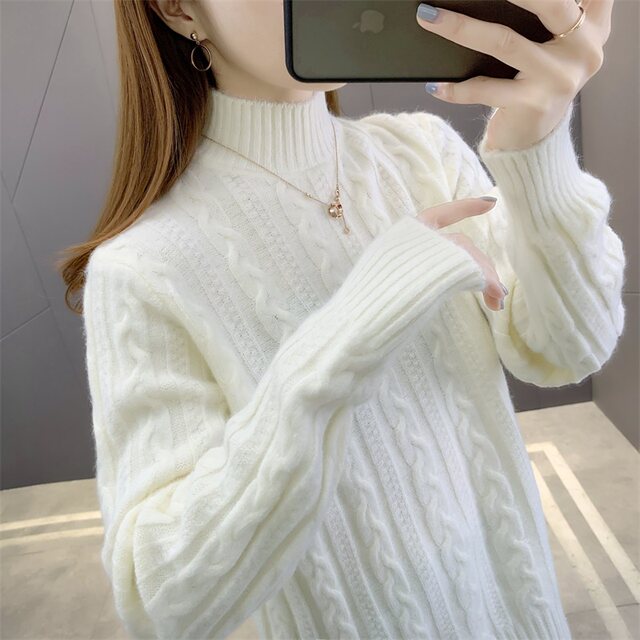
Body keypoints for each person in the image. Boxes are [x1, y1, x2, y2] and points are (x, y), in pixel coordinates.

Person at [58, 0, 625, 638]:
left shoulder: (422, 152)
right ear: (178, 7)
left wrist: (539, 146)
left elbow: (570, 349)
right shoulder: (142, 268)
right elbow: (164, 598)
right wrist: (351, 329)